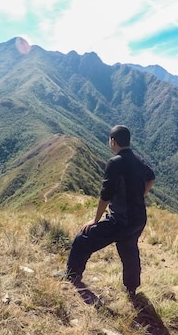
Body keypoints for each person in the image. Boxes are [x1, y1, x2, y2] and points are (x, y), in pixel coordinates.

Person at [64, 125, 155, 297]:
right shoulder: (137, 159)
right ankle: (131, 289)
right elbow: (151, 178)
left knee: (83, 238)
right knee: (129, 251)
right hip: (138, 218)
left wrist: (95, 220)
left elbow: (105, 195)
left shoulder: (115, 163)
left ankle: (72, 275)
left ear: (113, 141)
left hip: (120, 220)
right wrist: (140, 195)